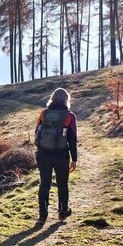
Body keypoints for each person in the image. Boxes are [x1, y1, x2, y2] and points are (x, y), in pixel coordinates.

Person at [34, 88, 78, 227]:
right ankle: (63, 211)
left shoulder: (43, 114)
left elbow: (37, 133)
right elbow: (72, 139)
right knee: (62, 184)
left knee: (44, 184)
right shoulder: (70, 116)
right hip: (61, 155)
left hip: (43, 154)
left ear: (52, 98)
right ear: (67, 100)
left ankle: (42, 216)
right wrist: (74, 159)